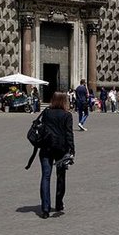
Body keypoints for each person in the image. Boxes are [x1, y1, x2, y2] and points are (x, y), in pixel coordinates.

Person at [38, 91, 74, 219]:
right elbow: (69, 134)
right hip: (61, 150)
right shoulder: (67, 115)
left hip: (46, 148)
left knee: (45, 177)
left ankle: (45, 209)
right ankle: (59, 203)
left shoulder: (47, 113)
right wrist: (72, 151)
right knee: (61, 177)